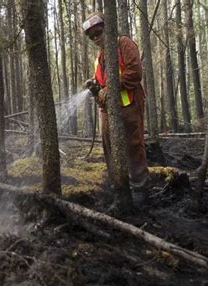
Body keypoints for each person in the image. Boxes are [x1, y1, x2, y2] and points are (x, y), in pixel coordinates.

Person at [82, 13, 149, 205]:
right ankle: (118, 185)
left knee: (133, 144)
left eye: (98, 32)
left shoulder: (124, 44)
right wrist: (94, 84)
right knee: (109, 145)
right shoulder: (99, 56)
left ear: (106, 28)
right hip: (108, 109)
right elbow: (102, 80)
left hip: (129, 103)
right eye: (91, 36)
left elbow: (134, 72)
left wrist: (110, 88)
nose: (95, 37)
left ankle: (140, 188)